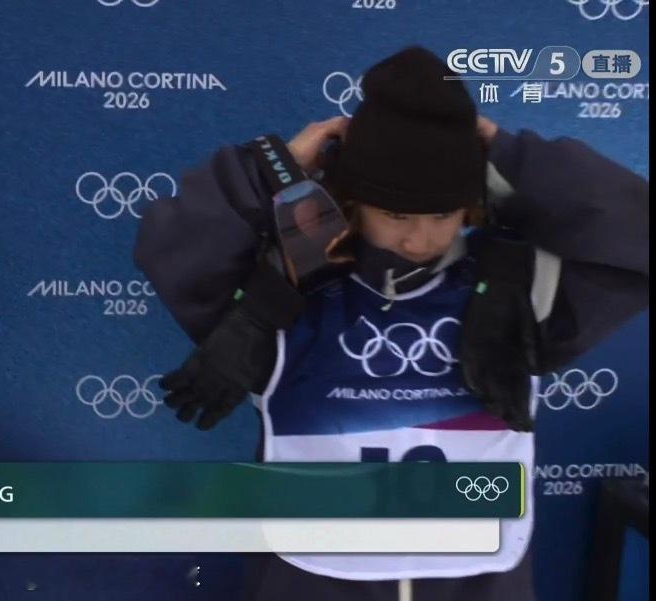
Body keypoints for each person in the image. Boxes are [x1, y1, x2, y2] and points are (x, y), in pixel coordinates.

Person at [134, 46, 648, 600]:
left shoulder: (520, 290)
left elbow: (635, 237)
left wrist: (508, 155)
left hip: (478, 579)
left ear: (471, 204)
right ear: (355, 201)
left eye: (443, 214)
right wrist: (268, 170)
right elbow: (174, 246)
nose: (419, 239)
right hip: (312, 576)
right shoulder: (282, 287)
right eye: (396, 214)